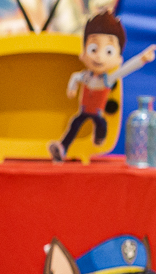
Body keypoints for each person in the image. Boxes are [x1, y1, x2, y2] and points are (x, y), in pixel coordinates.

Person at [49, 10, 156, 162]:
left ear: (118, 58)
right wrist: (72, 88)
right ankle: (62, 148)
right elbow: (75, 77)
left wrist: (142, 59)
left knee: (101, 124)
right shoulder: (85, 76)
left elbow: (126, 69)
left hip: (98, 112)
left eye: (108, 51)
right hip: (84, 111)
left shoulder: (108, 79)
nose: (99, 56)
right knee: (75, 123)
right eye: (93, 49)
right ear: (83, 54)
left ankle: (99, 138)